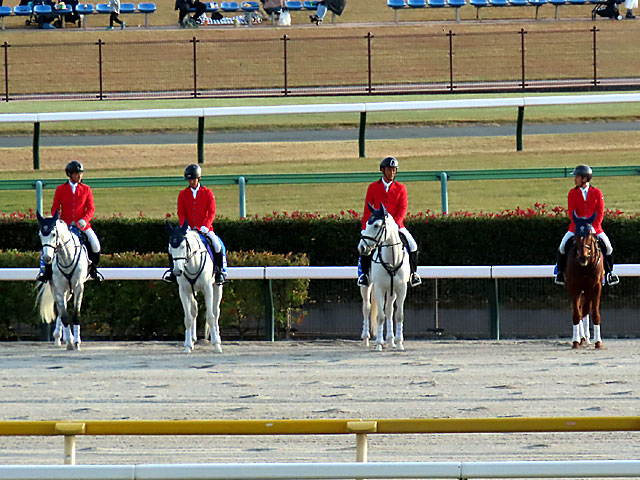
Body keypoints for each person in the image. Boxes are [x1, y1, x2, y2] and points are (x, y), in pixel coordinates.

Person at [357, 156, 422, 288]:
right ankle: (364, 275)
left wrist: (395, 225)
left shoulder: (401, 188)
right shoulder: (373, 187)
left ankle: (413, 274)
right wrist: (365, 228)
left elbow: (402, 209)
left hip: (396, 226)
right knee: (366, 246)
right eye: (389, 170)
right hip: (377, 226)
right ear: (383, 170)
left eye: (394, 170)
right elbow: (367, 210)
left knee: (413, 245)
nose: (392, 172)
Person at [36, 160, 102, 283]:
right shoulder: (61, 189)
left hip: (82, 224)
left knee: (95, 244)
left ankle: (93, 270)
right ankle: (46, 271)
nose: (80, 176)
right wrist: (57, 221)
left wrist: (85, 219)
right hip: (64, 224)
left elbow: (91, 208)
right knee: (50, 244)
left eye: (81, 173)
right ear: (70, 174)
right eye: (77, 173)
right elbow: (55, 208)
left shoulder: (86, 189)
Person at [555, 164, 619, 287]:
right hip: (576, 227)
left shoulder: (597, 192)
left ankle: (609, 274)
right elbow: (572, 212)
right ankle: (560, 273)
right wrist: (579, 226)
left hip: (595, 228)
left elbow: (600, 212)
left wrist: (593, 227)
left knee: (608, 247)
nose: (575, 179)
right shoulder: (572, 193)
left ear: (584, 178)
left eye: (577, 177)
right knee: (562, 246)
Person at [164, 164, 226, 285]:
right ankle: (172, 272)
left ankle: (219, 272)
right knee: (172, 247)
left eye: (193, 179)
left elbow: (211, 211)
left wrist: (206, 226)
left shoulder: (207, 193)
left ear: (199, 178)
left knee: (217, 246)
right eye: (189, 180)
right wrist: (185, 226)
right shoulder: (183, 194)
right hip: (189, 230)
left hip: (205, 229)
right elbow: (181, 213)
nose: (191, 182)